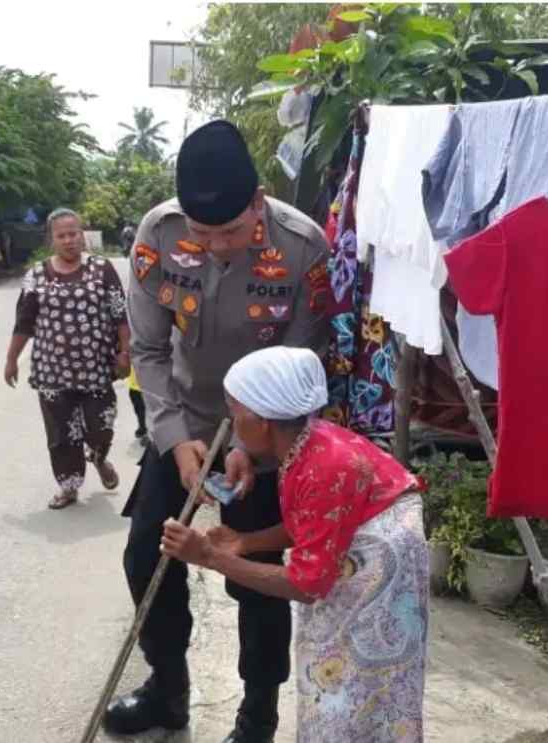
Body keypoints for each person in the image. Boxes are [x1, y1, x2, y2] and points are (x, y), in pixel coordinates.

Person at [106, 119, 332, 743]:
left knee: (253, 564)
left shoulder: (302, 249)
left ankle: (257, 714)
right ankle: (166, 690)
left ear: (258, 201)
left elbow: (294, 369)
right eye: (202, 234)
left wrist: (251, 453)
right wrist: (178, 440)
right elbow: (149, 351)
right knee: (145, 554)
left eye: (230, 231)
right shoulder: (157, 235)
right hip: (181, 418)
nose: (214, 247)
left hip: (265, 429)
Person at [161, 347, 431, 742]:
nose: (232, 424)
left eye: (236, 412)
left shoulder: (323, 464)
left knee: (354, 682)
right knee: (336, 671)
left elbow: (306, 585)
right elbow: (316, 522)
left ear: (262, 420)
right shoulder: (306, 443)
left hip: (380, 566)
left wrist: (210, 556)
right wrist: (246, 542)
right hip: (363, 549)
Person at [4, 208, 129, 509]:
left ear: (82, 234)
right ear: (52, 239)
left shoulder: (102, 269)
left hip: (96, 369)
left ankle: (98, 458)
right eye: (62, 235)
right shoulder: (36, 275)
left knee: (101, 425)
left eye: (74, 233)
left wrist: (125, 353)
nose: (69, 240)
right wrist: (11, 359)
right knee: (61, 435)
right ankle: (69, 486)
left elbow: (119, 314)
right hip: (52, 372)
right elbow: (24, 322)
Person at [127, 366, 147, 445]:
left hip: (150, 385)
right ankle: (143, 428)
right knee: (139, 411)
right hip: (134, 386)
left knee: (153, 412)